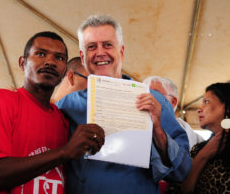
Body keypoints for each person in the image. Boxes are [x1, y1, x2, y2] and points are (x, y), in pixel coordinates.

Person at [56, 15, 192, 194]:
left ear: (121, 51)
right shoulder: (67, 105)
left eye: (107, 44)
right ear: (82, 57)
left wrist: (158, 131)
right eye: (91, 47)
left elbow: (182, 172)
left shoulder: (155, 101)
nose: (100, 52)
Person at [0, 31, 105, 194]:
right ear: (22, 63)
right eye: (40, 54)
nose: (50, 62)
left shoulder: (62, 119)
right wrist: (65, 151)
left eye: (59, 58)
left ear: (64, 70)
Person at [168, 83, 230, 194]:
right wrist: (203, 156)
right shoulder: (198, 149)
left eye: (206, 102)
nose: (199, 110)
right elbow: (180, 190)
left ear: (226, 106)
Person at [144, 76, 204, 149]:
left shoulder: (196, 141)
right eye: (144, 93)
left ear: (173, 102)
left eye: (154, 93)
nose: (147, 98)